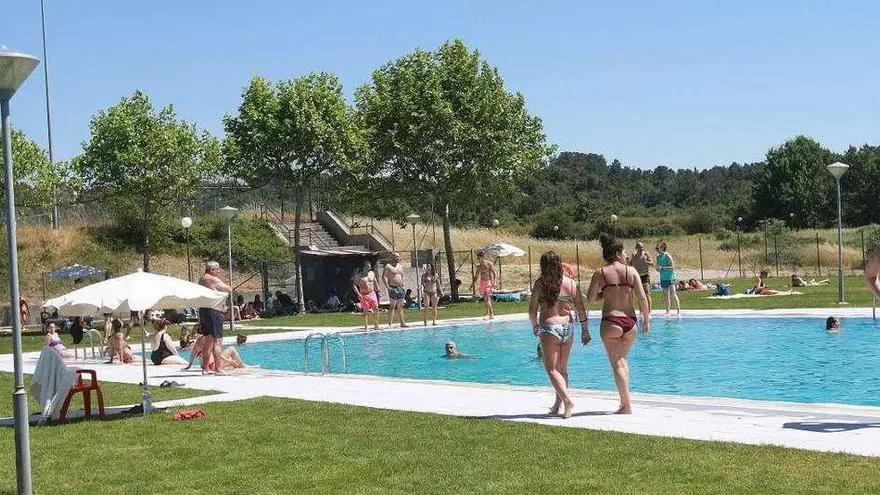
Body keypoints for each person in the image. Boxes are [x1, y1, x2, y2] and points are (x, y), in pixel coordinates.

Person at [586, 233, 651, 414]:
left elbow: (590, 298)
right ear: (617, 253)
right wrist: (646, 320)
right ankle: (624, 402)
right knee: (622, 361)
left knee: (617, 363)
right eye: (623, 251)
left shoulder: (600, 273)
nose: (625, 254)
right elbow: (642, 298)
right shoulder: (631, 271)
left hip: (611, 321)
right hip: (630, 322)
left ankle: (626, 404)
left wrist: (606, 293)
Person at [528, 250, 588, 419]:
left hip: (550, 328)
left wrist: (534, 325)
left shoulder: (540, 283)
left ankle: (567, 400)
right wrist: (585, 330)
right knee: (562, 369)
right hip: (568, 328)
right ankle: (557, 405)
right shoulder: (571, 283)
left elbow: (532, 309)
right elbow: (581, 309)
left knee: (552, 369)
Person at [198, 261, 232, 375]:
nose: (219, 271)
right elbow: (228, 289)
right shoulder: (213, 279)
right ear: (212, 270)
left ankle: (205, 368)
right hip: (213, 311)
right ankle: (218, 368)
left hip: (203, 311)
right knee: (217, 341)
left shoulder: (202, 279)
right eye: (217, 269)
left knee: (208, 341)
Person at [382, 252, 408, 328]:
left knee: (400, 306)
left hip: (400, 287)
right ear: (392, 257)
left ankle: (402, 323)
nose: (398, 258)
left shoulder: (400, 266)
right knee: (392, 306)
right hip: (392, 287)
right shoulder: (388, 266)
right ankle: (390, 323)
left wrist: (403, 285)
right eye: (396, 257)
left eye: (398, 257)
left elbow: (401, 276)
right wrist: (387, 287)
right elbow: (384, 277)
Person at [655, 242, 680, 316]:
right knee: (665, 295)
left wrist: (663, 268)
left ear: (663, 248)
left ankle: (678, 311)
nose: (657, 249)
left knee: (673, 293)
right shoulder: (658, 257)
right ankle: (667, 311)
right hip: (663, 278)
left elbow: (672, 267)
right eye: (657, 247)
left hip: (670, 277)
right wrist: (657, 269)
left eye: (658, 247)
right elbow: (657, 267)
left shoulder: (667, 256)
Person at [353, 262, 380, 331]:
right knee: (366, 310)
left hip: (372, 293)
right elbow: (354, 285)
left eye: (369, 266)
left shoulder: (372, 273)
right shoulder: (359, 276)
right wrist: (358, 294)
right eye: (367, 267)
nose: (369, 268)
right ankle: (366, 326)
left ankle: (376, 325)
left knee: (376, 309)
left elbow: (375, 281)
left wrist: (378, 291)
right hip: (364, 295)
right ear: (364, 267)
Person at [629, 242, 653, 313]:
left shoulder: (646, 254)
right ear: (637, 248)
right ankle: (641, 311)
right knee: (639, 294)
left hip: (645, 275)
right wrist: (629, 260)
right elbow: (630, 264)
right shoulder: (634, 255)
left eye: (642, 247)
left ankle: (649, 311)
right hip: (638, 276)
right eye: (640, 247)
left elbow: (652, 263)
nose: (642, 248)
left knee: (647, 293)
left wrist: (646, 261)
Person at [474, 250, 497, 320]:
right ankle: (491, 314)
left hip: (488, 282)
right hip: (482, 283)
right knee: (486, 299)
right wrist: (472, 284)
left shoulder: (489, 264)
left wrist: (494, 282)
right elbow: (476, 276)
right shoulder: (479, 266)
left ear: (482, 257)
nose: (478, 259)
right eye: (478, 258)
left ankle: (488, 314)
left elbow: (494, 273)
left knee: (487, 298)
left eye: (479, 257)